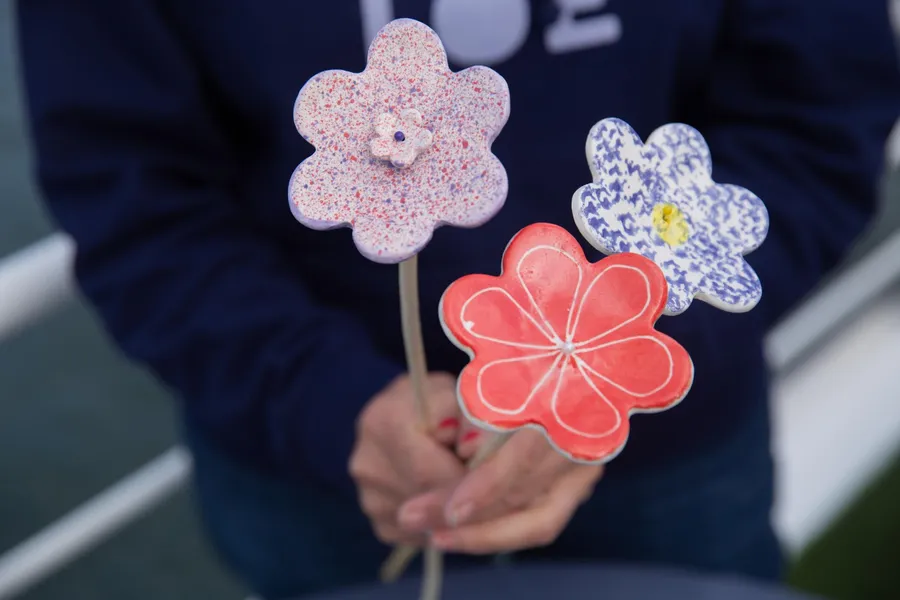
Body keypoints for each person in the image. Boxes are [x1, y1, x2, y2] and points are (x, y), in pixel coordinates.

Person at [16, 1, 900, 598]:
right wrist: (323, 399)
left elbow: (815, 119)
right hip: (313, 473)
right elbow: (132, 192)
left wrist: (619, 365)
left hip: (670, 449)